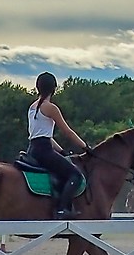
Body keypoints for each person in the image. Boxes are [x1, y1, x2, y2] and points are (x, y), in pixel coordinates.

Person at [23, 71, 88, 215]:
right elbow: (68, 131)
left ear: (37, 87)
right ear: (54, 88)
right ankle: (61, 209)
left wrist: (62, 151)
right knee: (76, 176)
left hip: (33, 149)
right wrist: (86, 147)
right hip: (44, 152)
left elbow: (43, 136)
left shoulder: (32, 107)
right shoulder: (51, 108)